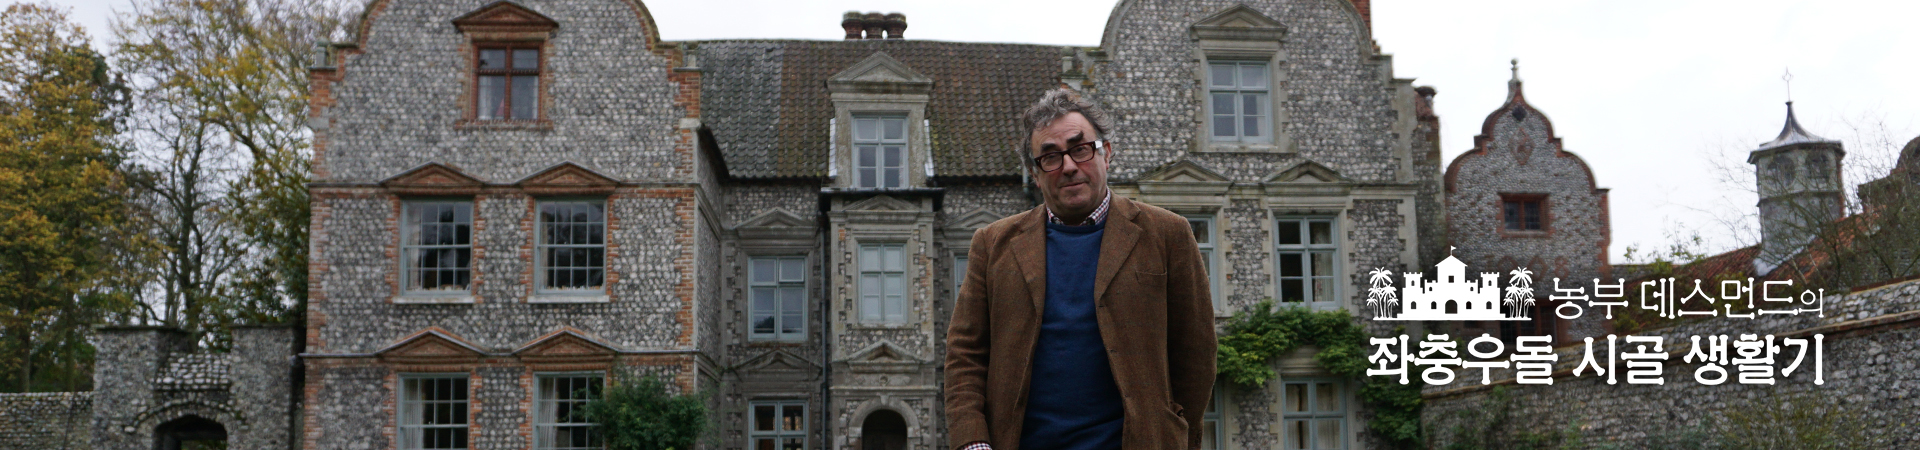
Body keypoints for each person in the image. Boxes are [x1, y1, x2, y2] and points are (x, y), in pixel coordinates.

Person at [944, 88, 1216, 450]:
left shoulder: (1168, 234)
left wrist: (1174, 433)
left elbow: (1196, 354)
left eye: (1081, 149)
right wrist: (972, 442)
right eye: (1050, 157)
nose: (1069, 166)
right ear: (1035, 174)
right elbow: (965, 357)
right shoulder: (993, 244)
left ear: (1106, 153)